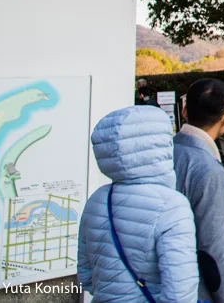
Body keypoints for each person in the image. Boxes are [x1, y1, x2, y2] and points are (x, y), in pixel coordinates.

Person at [77, 105, 199, 301]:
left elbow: (85, 277)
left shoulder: (97, 199)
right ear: (160, 146)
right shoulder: (172, 206)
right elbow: (180, 293)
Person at [174, 78, 224, 303]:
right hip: (195, 288)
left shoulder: (166, 152)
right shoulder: (208, 170)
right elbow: (215, 249)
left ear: (184, 110)